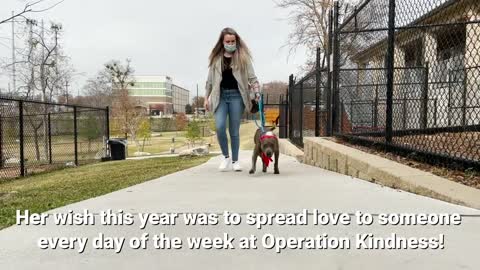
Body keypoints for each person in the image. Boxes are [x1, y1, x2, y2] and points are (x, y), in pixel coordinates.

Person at [204, 27, 260, 172]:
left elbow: (253, 78)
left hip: (237, 96)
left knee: (234, 131)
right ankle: (225, 157)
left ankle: (235, 160)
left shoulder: (243, 58)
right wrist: (206, 98)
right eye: (228, 41)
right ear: (222, 42)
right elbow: (210, 81)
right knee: (220, 127)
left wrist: (257, 92)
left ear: (237, 41)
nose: (231, 43)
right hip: (220, 97)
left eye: (233, 41)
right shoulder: (216, 59)